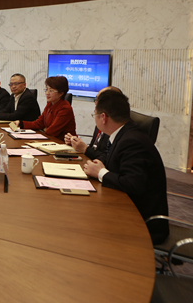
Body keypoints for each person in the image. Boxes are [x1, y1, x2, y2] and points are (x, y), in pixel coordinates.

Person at [83, 90, 169, 244]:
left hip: (142, 222)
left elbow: (132, 184)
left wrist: (101, 172)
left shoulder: (132, 141)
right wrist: (98, 166)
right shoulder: (123, 133)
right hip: (126, 208)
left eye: (94, 114)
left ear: (103, 117)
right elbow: (111, 158)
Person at [64, 86, 122, 162]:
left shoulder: (113, 125)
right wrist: (76, 144)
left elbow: (108, 158)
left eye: (100, 100)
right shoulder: (100, 119)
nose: (96, 102)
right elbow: (93, 148)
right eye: (96, 99)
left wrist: (85, 149)